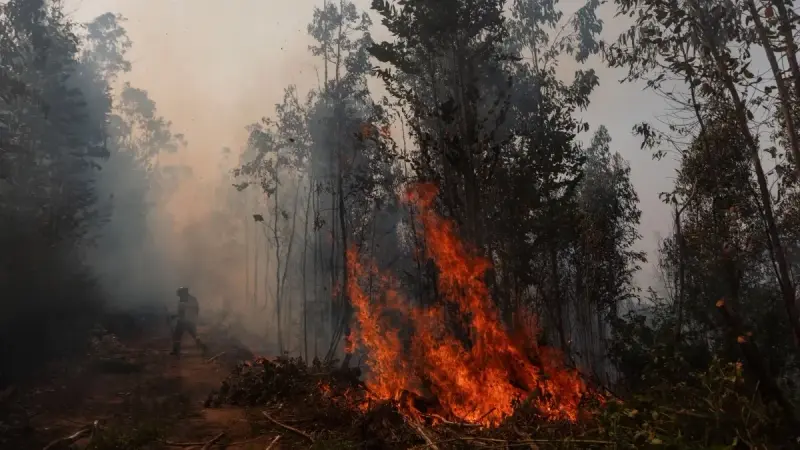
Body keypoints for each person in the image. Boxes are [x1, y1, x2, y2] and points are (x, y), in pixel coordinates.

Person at [170, 286, 208, 357]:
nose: (179, 295)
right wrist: (194, 318)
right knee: (195, 336)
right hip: (192, 321)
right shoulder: (193, 299)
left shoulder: (182, 300)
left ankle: (176, 350)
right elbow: (197, 310)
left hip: (183, 322)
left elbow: (181, 313)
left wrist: (174, 317)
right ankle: (204, 347)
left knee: (176, 336)